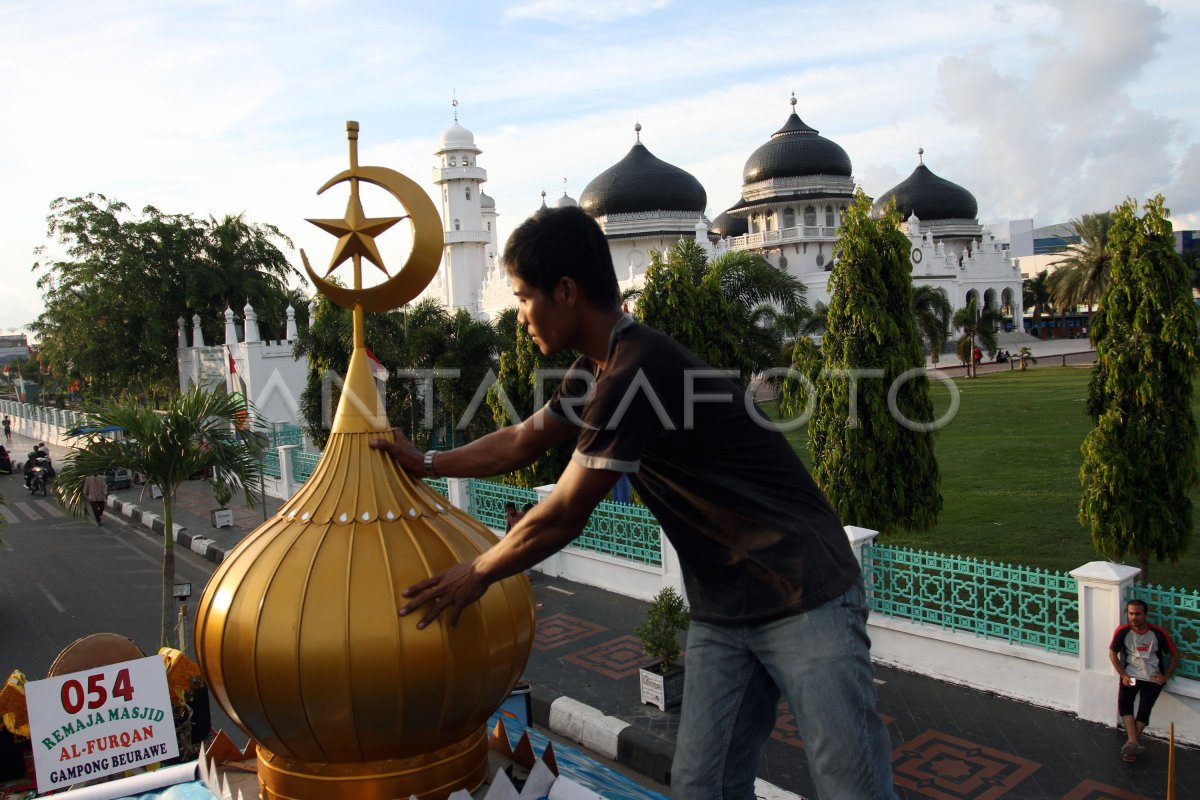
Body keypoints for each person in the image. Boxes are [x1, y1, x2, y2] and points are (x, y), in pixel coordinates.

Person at [371, 206, 897, 799]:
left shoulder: (633, 371)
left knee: (851, 787)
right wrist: (431, 463)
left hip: (806, 589)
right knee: (705, 786)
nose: (520, 318)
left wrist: (476, 573)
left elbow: (567, 510)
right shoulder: (596, 372)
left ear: (566, 292)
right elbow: (523, 441)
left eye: (523, 298)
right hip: (726, 605)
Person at [1108, 599, 1179, 761]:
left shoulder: (1157, 632)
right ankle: (1133, 743)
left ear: (1145, 615)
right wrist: (1124, 675)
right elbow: (1112, 653)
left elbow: (1174, 654)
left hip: (1152, 678)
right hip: (1131, 677)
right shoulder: (1123, 632)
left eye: (1138, 614)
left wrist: (1166, 676)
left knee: (1144, 709)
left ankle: (1131, 745)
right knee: (1125, 705)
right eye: (1131, 614)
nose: (1134, 617)